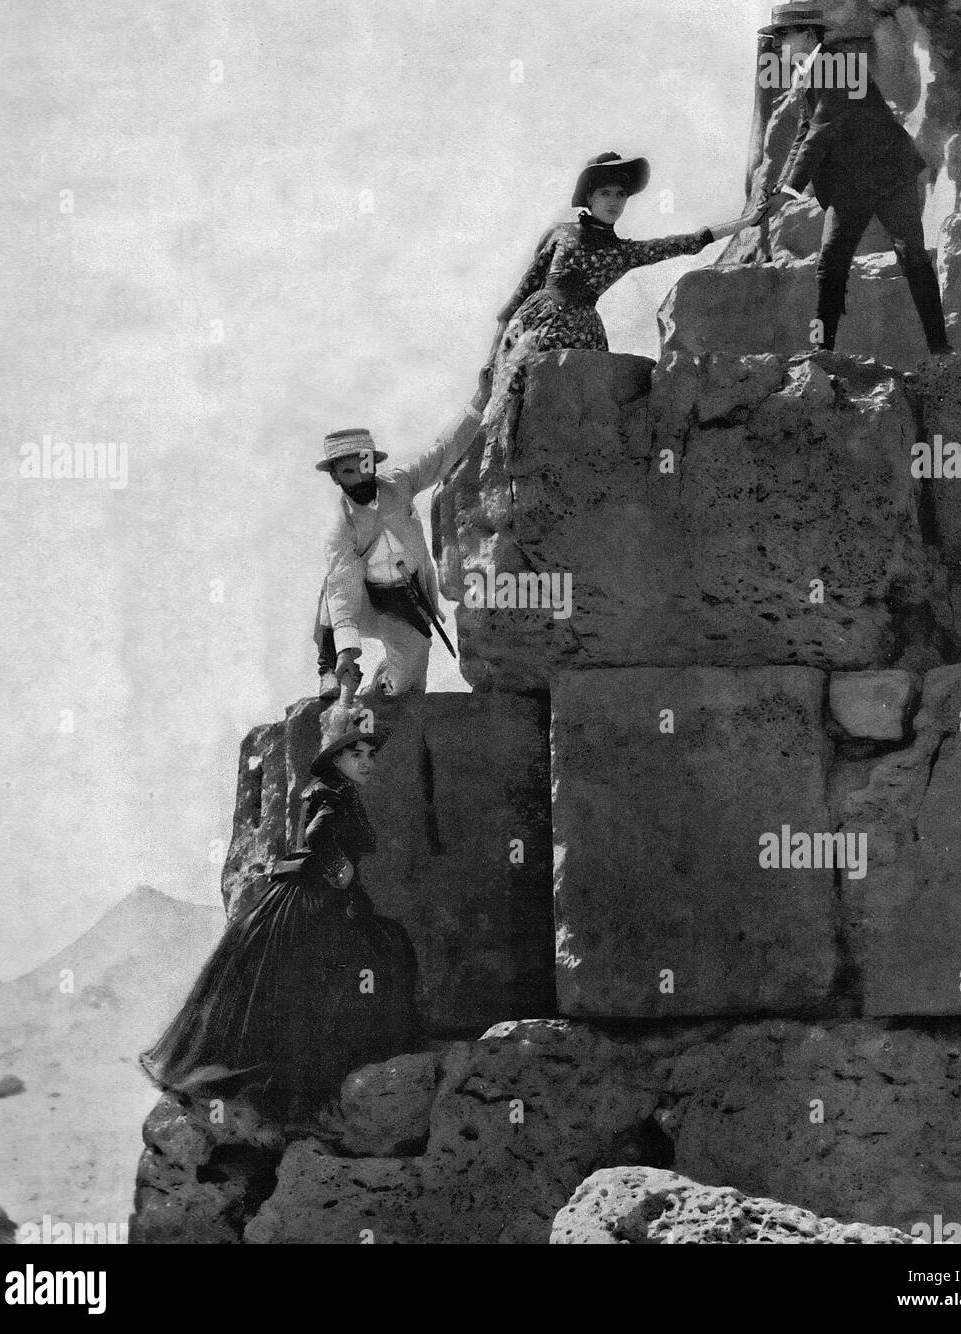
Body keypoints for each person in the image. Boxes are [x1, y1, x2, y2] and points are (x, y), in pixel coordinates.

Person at [140, 710, 419, 1120]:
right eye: (356, 753)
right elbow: (319, 834)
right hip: (314, 898)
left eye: (370, 755)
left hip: (308, 894)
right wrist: (339, 868)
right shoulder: (332, 793)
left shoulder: (336, 789)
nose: (366, 762)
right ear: (336, 759)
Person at [753, 2, 953, 357]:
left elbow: (820, 132)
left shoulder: (837, 66)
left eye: (783, 35)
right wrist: (782, 186)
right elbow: (804, 133)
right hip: (850, 187)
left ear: (809, 34)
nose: (776, 44)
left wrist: (788, 192)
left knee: (911, 255)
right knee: (830, 263)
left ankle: (940, 348)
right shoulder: (812, 71)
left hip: (888, 175)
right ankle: (821, 352)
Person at [314, 370, 491, 702]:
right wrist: (346, 654)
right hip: (367, 596)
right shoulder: (340, 525)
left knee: (407, 682)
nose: (359, 477)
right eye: (348, 472)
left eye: (363, 466)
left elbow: (443, 451)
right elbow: (344, 584)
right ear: (336, 478)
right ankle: (326, 667)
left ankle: (383, 684)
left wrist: (481, 398)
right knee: (330, 595)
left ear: (373, 464)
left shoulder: (400, 484)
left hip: (404, 599)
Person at [486, 151, 715, 378]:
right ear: (590, 197)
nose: (613, 201)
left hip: (583, 337)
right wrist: (491, 359)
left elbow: (688, 242)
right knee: (509, 390)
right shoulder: (560, 233)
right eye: (605, 193)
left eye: (620, 194)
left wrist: (747, 222)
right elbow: (521, 293)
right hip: (531, 324)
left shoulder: (624, 252)